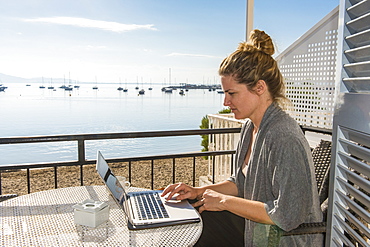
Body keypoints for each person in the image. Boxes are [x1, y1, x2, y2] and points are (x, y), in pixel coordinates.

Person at [162, 29, 323, 246]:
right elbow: (240, 182)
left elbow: (287, 215)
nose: (225, 103)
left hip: (282, 239)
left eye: (232, 93)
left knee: (203, 229)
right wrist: (197, 191)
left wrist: (224, 201)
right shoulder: (250, 127)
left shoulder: (284, 137)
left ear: (259, 87)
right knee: (193, 221)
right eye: (224, 93)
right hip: (258, 230)